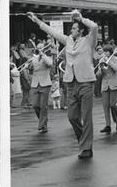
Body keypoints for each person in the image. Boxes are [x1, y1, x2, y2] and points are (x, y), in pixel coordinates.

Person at [27, 10, 97, 159]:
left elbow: (95, 27)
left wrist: (81, 18)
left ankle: (86, 147)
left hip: (86, 82)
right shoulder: (68, 40)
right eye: (71, 28)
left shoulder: (89, 40)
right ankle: (83, 142)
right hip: (71, 82)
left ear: (81, 31)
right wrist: (36, 20)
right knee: (72, 117)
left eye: (73, 28)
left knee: (86, 116)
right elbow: (51, 31)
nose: (71, 30)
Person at [27, 43, 53, 133]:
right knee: (35, 105)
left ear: (44, 49)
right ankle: (43, 121)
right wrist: (28, 65)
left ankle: (42, 125)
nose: (38, 49)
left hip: (45, 84)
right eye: (37, 48)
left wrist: (43, 55)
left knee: (43, 106)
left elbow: (50, 64)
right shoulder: (33, 58)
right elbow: (29, 69)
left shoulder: (47, 57)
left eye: (40, 48)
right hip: (35, 84)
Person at [97, 44, 117, 133]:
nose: (105, 53)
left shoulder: (116, 59)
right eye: (104, 51)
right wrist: (100, 68)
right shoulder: (101, 60)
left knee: (112, 104)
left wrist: (109, 62)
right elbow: (98, 75)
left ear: (110, 52)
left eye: (107, 51)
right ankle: (108, 125)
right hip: (105, 86)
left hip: (114, 84)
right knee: (105, 106)